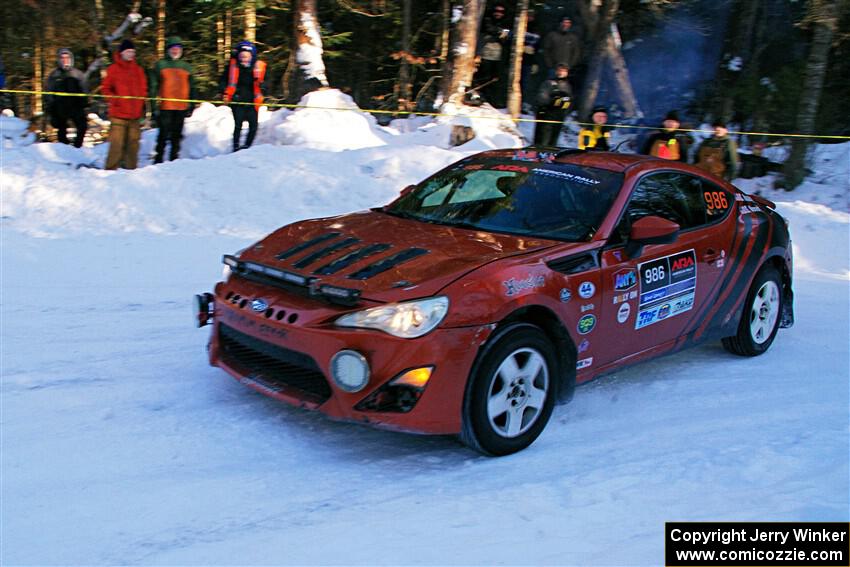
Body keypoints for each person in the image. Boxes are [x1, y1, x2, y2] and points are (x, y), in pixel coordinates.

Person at [103, 40, 147, 170]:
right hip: (118, 114)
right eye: (128, 51)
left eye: (133, 52)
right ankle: (110, 169)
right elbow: (105, 89)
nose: (131, 54)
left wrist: (141, 103)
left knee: (133, 144)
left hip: (135, 114)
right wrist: (114, 100)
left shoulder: (138, 70)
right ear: (122, 52)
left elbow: (144, 89)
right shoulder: (113, 69)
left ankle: (131, 170)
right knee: (116, 144)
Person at [150, 36, 195, 163]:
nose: (175, 51)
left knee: (177, 136)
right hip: (166, 107)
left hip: (181, 108)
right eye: (173, 48)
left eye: (178, 48)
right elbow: (153, 87)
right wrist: (154, 107)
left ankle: (174, 160)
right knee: (163, 135)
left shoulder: (186, 67)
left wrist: (191, 104)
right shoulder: (160, 65)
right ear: (168, 50)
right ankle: (158, 160)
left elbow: (192, 87)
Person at [222, 40, 266, 152]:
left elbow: (267, 82)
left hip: (252, 102)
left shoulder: (258, 67)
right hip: (237, 101)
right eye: (242, 56)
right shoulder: (232, 67)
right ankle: (236, 148)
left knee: (253, 127)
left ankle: (247, 147)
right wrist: (225, 92)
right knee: (238, 126)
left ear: (252, 56)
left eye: (246, 57)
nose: (244, 59)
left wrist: (264, 86)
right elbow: (222, 81)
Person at [44, 48, 88, 148]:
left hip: (76, 105)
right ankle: (64, 148)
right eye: (62, 58)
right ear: (59, 60)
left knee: (82, 126)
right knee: (61, 128)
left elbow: (84, 89)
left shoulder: (78, 74)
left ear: (71, 59)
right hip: (60, 106)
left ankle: (77, 147)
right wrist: (51, 106)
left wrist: (84, 103)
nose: (65, 60)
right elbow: (49, 91)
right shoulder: (54, 75)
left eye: (67, 57)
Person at [475, 3, 511, 108]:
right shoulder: (487, 20)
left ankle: (493, 101)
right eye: (496, 11)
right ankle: (482, 98)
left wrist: (496, 34)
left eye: (501, 12)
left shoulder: (506, 23)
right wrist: (498, 33)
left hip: (498, 57)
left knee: (496, 79)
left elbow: (505, 37)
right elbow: (486, 32)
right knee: (484, 76)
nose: (498, 13)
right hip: (485, 54)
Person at [533, 63, 573, 146]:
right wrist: (552, 101)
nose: (561, 73)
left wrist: (564, 106)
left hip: (559, 117)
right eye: (560, 70)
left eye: (564, 71)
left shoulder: (568, 86)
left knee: (553, 142)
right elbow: (541, 98)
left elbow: (570, 101)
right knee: (542, 141)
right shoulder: (549, 83)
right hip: (546, 116)